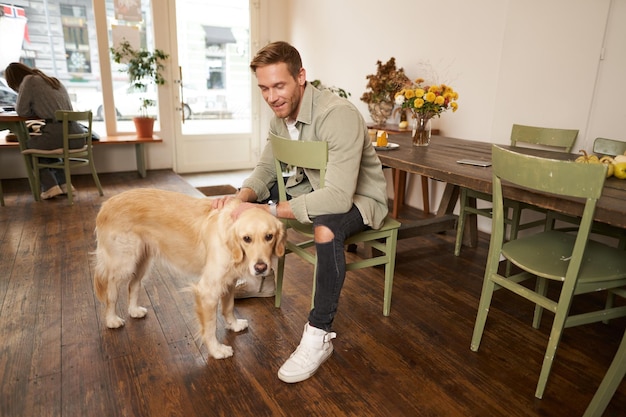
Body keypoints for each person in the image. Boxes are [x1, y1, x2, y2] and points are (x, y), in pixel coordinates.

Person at [212, 41, 389, 383]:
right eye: (264, 88)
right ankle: (260, 279)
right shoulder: (280, 116)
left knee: (325, 227)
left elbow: (338, 197)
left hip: (359, 199)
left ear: (301, 77)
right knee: (247, 204)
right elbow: (266, 169)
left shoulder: (338, 115)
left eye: (279, 86)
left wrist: (265, 206)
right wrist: (241, 198)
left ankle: (318, 335)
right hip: (311, 188)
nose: (271, 96)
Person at [4, 62, 85, 199]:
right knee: (44, 147)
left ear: (13, 80)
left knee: (29, 146)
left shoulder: (28, 81)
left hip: (57, 133)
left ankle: (49, 187)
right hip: (77, 134)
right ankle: (64, 184)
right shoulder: (52, 80)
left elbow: (21, 111)